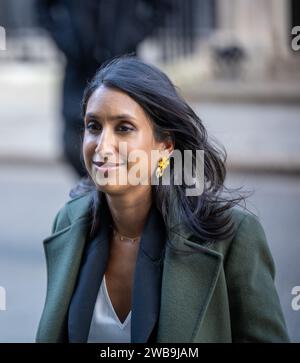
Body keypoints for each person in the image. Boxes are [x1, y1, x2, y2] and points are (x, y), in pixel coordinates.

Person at [35, 55, 290, 343]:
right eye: (94, 126)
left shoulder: (231, 235)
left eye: (123, 128)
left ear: (165, 146)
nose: (102, 146)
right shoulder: (69, 222)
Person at [35, 0, 174, 177]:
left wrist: (135, 33)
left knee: (127, 130)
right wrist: (64, 37)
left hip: (123, 62)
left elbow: (164, 6)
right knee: (72, 142)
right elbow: (41, 7)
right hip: (79, 66)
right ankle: (94, 191)